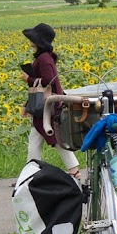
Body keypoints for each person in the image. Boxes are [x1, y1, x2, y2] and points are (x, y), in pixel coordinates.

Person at [22, 22, 79, 182]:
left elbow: (48, 81)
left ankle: (31, 174)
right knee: (39, 138)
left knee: (53, 138)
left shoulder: (44, 59)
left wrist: (29, 79)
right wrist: (28, 105)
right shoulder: (44, 57)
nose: (29, 40)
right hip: (44, 104)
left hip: (47, 106)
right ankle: (30, 173)